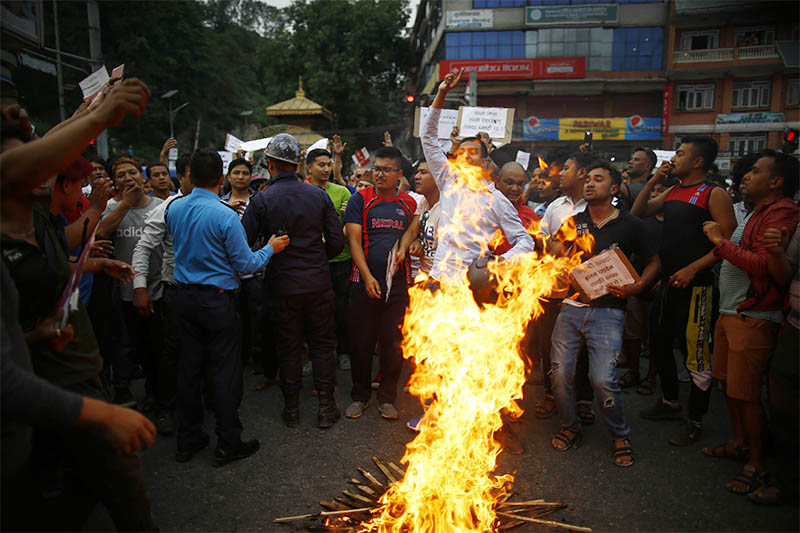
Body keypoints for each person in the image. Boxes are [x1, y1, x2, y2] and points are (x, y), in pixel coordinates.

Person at [166, 149, 289, 466]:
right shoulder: (224, 216)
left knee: (189, 370)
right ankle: (228, 442)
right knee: (224, 372)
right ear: (221, 178)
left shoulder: (175, 208)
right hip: (217, 300)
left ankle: (188, 438)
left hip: (185, 298)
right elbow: (246, 264)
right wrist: (270, 249)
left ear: (189, 176)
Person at [549, 160, 661, 467]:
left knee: (602, 379)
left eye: (598, 179)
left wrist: (638, 287)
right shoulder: (573, 221)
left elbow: (654, 262)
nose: (589, 183)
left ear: (613, 189)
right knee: (559, 374)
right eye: (588, 178)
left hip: (608, 312)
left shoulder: (630, 224)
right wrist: (556, 253)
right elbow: (554, 253)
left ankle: (619, 434)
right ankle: (570, 426)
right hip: (571, 308)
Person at [700, 150, 799, 495]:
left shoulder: (782, 210)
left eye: (755, 171)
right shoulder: (757, 211)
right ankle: (740, 443)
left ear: (776, 182)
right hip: (731, 312)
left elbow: (763, 267)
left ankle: (756, 462)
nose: (745, 176)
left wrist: (720, 243)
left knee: (747, 394)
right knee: (729, 387)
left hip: (752, 314)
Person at [631, 135, 737, 446]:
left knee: (696, 356)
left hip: (698, 287)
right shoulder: (675, 190)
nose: (674, 158)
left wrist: (693, 268)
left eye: (680, 153)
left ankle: (695, 419)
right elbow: (639, 212)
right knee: (660, 343)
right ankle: (669, 402)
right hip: (669, 284)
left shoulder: (713, 194)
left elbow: (728, 243)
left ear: (698, 161)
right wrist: (655, 179)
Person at [242, 135, 344, 429]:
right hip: (318, 283)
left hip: (282, 285)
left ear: (270, 163)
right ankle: (326, 408)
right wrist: (317, 260)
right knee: (323, 345)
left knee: (288, 347)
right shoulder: (319, 195)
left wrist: (269, 252)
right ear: (299, 162)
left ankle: (292, 411)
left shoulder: (261, 199)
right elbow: (336, 241)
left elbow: (243, 241)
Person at [419, 69, 534, 285]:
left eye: (472, 152)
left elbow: (525, 241)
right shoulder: (447, 180)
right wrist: (441, 93)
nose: (464, 156)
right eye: (461, 152)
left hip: (471, 289)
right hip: (437, 282)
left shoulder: (496, 200)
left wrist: (500, 262)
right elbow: (427, 137)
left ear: (483, 162)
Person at [344, 146, 417, 420]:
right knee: (361, 343)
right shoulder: (360, 200)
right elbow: (353, 240)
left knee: (392, 344)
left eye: (386, 170)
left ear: (399, 174)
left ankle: (387, 397)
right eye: (376, 168)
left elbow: (414, 230)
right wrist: (367, 277)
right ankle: (360, 396)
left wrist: (407, 245)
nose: (379, 174)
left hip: (397, 286)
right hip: (362, 282)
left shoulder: (409, 203)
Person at [130, 152, 193, 434]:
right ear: (180, 176)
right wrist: (140, 287)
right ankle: (167, 408)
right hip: (175, 292)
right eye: (195, 173)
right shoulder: (167, 207)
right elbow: (143, 248)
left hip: (210, 294)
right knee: (172, 352)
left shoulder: (219, 206)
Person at [97, 156, 164, 408]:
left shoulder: (160, 206)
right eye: (121, 175)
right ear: (114, 181)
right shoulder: (110, 208)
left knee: (157, 346)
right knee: (131, 345)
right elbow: (102, 232)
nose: (128, 178)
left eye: (132, 172)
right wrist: (125, 204)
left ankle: (157, 394)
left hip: (158, 289)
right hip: (124, 292)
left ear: (142, 176)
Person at [534, 151, 595, 420]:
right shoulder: (556, 205)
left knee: (582, 346)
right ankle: (551, 394)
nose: (559, 173)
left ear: (582, 173)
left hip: (583, 291)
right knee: (547, 343)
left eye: (567, 168)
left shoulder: (597, 206)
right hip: (552, 286)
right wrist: (552, 245)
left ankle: (583, 399)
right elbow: (543, 240)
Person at [307, 147, 354, 371]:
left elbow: (350, 224)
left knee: (342, 309)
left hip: (341, 260)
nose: (326, 169)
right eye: (321, 165)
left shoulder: (342, 192)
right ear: (309, 167)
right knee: (314, 312)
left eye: (328, 164)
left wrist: (333, 241)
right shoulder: (302, 192)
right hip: (313, 263)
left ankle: (343, 351)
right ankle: (314, 356)